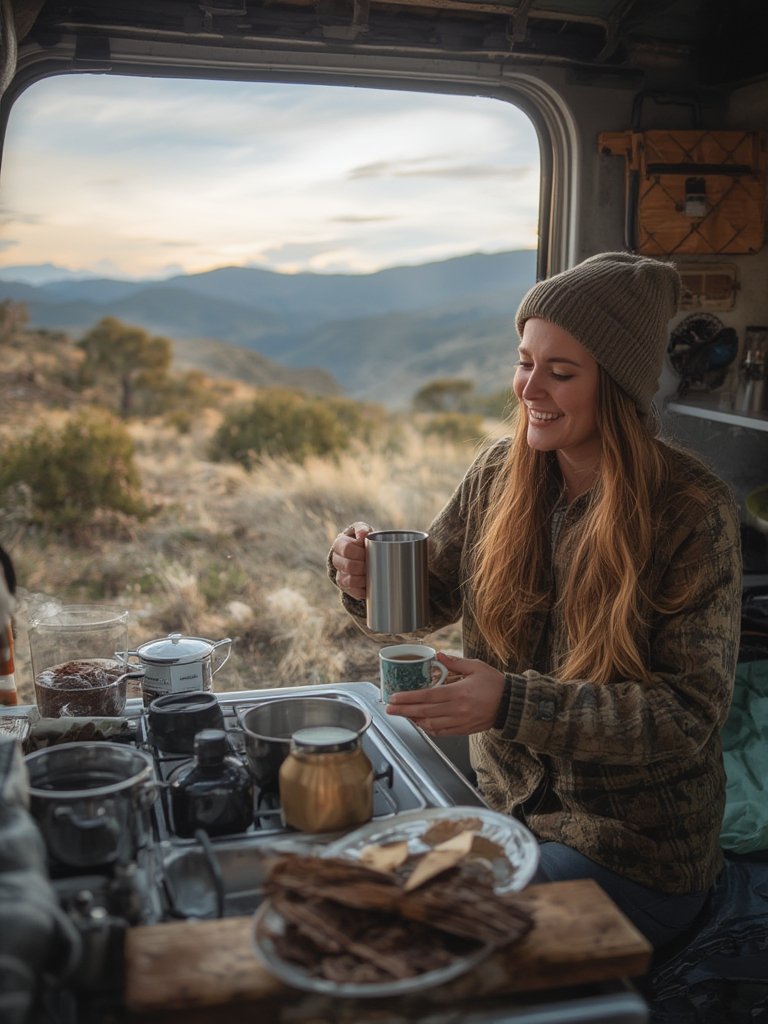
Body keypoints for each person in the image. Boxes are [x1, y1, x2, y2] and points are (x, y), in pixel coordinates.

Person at [328, 251, 742, 951]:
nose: (529, 388)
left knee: (411, 931)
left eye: (561, 371)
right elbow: (427, 596)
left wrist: (511, 704)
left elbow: (685, 717)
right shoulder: (499, 472)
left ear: (616, 387)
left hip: (634, 853)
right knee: (350, 879)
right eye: (525, 360)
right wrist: (360, 577)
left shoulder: (691, 510)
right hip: (504, 813)